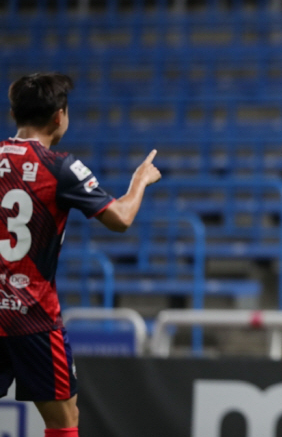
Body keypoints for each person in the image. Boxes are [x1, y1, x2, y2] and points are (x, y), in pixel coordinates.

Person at [0, 73, 161, 437]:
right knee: (64, 420)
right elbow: (120, 219)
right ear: (60, 116)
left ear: (14, 112)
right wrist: (140, 181)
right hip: (34, 316)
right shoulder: (60, 167)